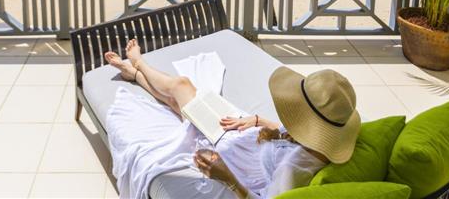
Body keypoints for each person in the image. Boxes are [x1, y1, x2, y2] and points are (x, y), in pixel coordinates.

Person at [105, 39, 361, 199]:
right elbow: (297, 136)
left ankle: (139, 65)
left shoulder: (293, 170)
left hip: (233, 154)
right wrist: (261, 121)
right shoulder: (327, 141)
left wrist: (226, 177)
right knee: (182, 104)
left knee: (181, 90)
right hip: (244, 136)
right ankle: (136, 72)